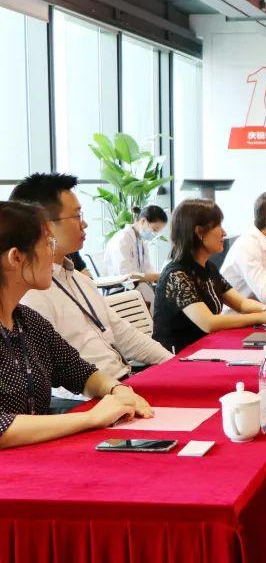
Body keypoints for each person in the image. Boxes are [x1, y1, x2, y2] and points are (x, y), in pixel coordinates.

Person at [10, 174, 172, 411]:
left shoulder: (77, 281)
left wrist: (172, 365)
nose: (84, 224)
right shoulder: (29, 298)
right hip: (79, 403)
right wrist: (102, 406)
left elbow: (118, 338)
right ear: (44, 226)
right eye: (77, 216)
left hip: (114, 388)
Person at [0, 201, 153, 449]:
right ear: (16, 257)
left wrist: (116, 389)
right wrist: (91, 418)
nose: (53, 253)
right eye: (47, 244)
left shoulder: (27, 320)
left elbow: (78, 371)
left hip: (34, 459)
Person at [153, 199, 266, 353]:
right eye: (218, 226)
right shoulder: (176, 274)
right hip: (176, 356)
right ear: (199, 232)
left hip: (205, 348)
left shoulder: (209, 268)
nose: (224, 233)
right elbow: (209, 323)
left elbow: (241, 304)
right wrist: (262, 317)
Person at [102, 205, 167, 284]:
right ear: (143, 221)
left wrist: (157, 277)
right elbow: (126, 274)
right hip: (121, 286)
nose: (154, 234)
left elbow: (147, 268)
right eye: (154, 229)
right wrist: (156, 276)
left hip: (137, 284)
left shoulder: (141, 241)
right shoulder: (122, 239)